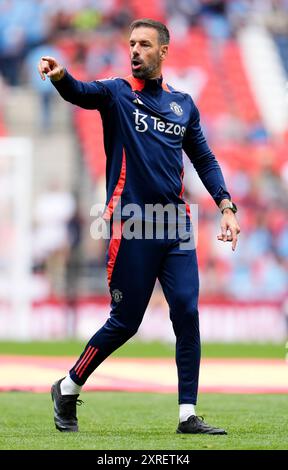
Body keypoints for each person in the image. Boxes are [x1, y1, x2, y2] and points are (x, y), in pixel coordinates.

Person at [38, 18, 240, 435]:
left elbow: (204, 158)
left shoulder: (183, 104)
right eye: (131, 43)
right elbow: (80, 91)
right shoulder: (116, 93)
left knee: (186, 312)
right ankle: (69, 385)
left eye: (144, 44)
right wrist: (62, 78)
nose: (134, 50)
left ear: (163, 51)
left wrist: (226, 204)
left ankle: (187, 415)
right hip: (132, 226)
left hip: (176, 225)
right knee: (125, 322)